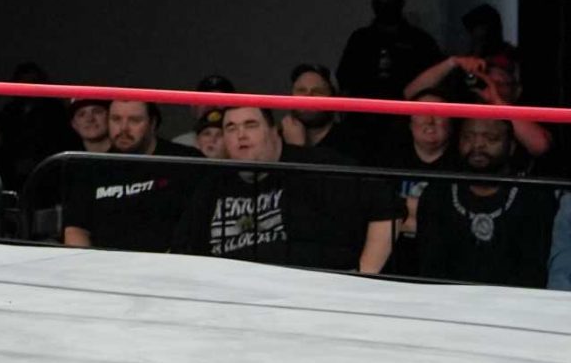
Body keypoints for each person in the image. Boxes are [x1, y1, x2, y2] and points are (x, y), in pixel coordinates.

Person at [172, 105, 398, 274]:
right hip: (229, 297)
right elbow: (183, 248)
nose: (241, 135)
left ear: (274, 131)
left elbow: (389, 207)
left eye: (251, 125)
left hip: (306, 294)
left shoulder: (316, 167)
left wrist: (363, 277)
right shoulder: (213, 183)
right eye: (231, 128)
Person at [412, 117, 555, 287]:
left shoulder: (533, 198)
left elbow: (533, 271)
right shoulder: (437, 193)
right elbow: (430, 267)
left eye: (491, 138)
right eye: (468, 137)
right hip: (448, 298)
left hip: (514, 300)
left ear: (511, 146)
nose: (477, 145)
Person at [60, 98, 198, 252]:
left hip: (173, 262)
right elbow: (75, 229)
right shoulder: (92, 169)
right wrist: (85, 262)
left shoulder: (185, 161)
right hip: (105, 264)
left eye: (134, 120)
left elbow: (201, 223)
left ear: (152, 124)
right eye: (116, 119)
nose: (123, 128)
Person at [335, 0, 443, 162]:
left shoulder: (419, 40)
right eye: (380, 2)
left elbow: (435, 84)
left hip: (406, 120)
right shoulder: (361, 39)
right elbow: (344, 81)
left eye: (390, 1)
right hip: (362, 121)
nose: (385, 6)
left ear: (401, 3)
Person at [404, 46, 554, 165]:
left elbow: (540, 145)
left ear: (517, 90)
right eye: (488, 81)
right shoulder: (463, 109)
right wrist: (453, 62)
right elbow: (412, 94)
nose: (493, 86)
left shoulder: (522, 119)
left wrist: (497, 101)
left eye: (501, 83)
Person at [387, 112, 454, 277]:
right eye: (422, 113)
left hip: (443, 261)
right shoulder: (390, 160)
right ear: (410, 124)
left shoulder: (461, 166)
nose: (430, 121)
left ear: (451, 124)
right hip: (395, 257)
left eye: (438, 114)